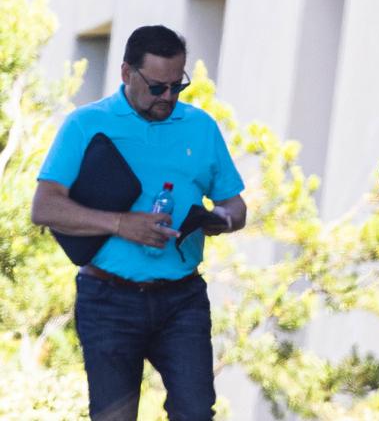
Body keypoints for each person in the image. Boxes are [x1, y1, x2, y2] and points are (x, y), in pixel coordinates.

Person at [31, 25, 246, 420]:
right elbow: (44, 208)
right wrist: (119, 224)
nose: (167, 98)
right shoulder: (85, 124)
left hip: (182, 298)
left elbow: (236, 205)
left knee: (197, 412)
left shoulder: (201, 127)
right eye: (156, 87)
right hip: (108, 298)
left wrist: (221, 220)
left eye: (176, 86)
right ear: (126, 73)